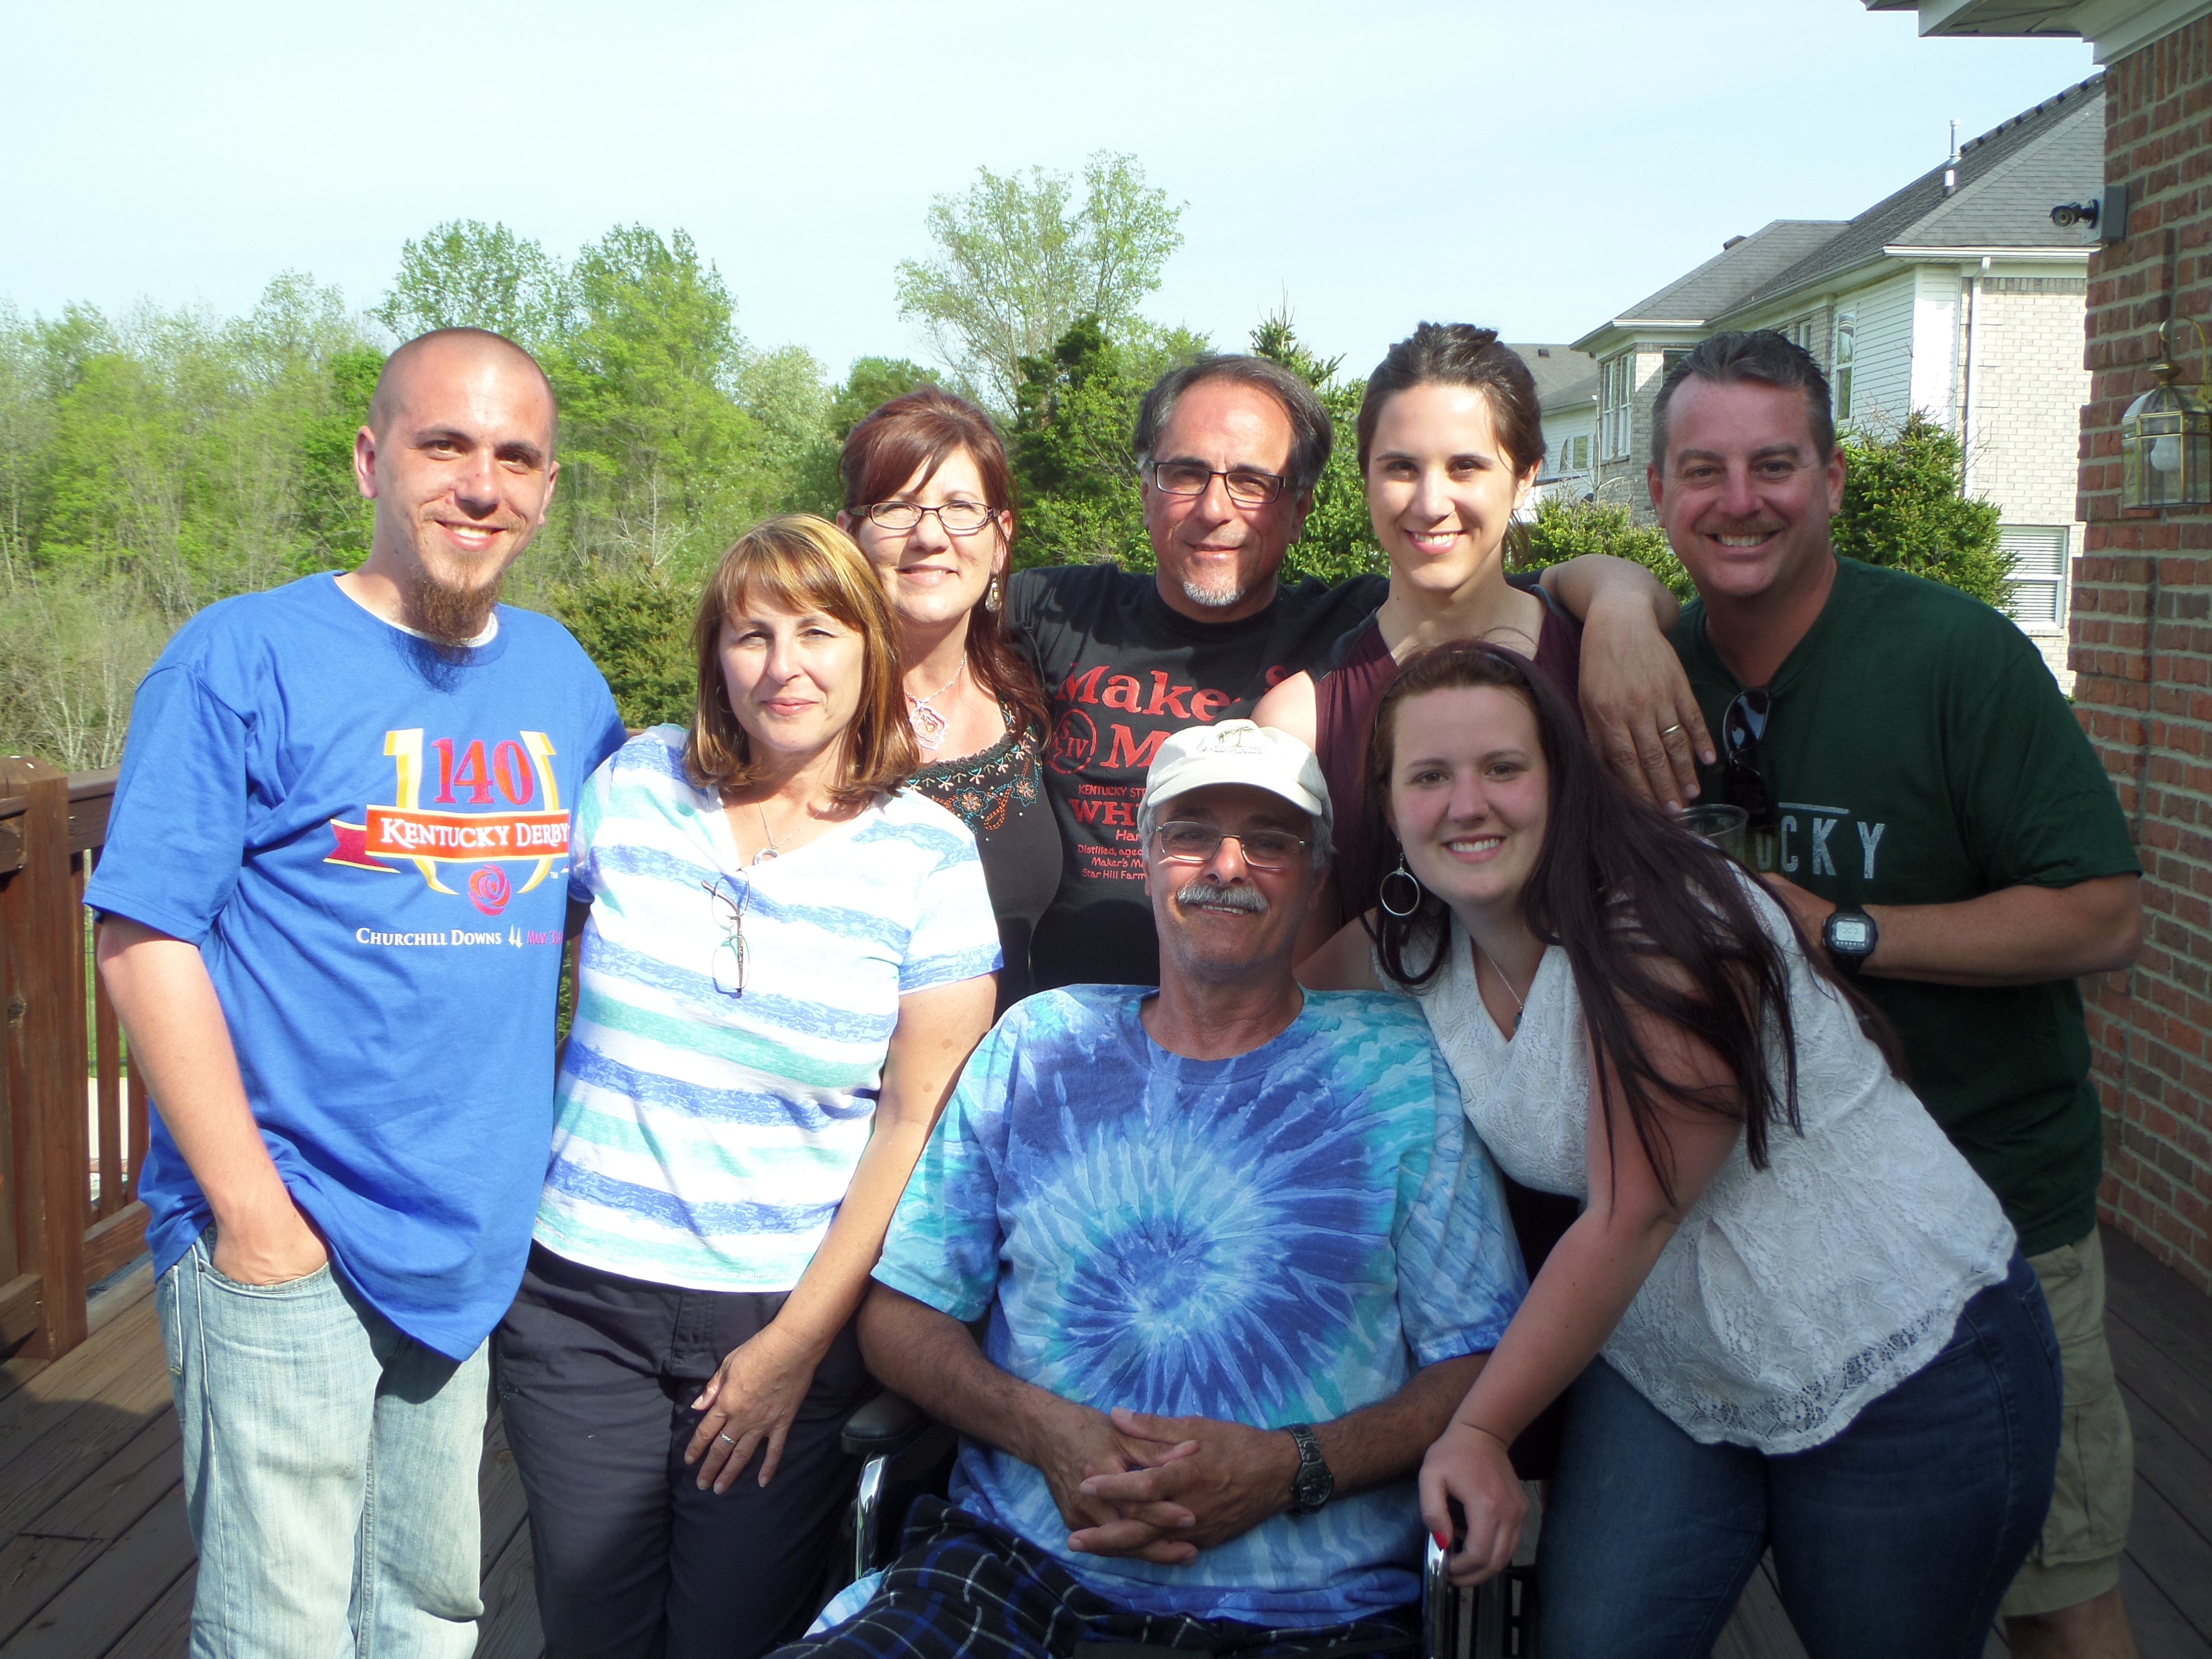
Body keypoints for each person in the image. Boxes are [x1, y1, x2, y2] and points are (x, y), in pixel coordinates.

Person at [1301, 641, 2064, 1658]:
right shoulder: (1416, 938)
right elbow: (1266, 1013)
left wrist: (1477, 1430)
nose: (1467, 805)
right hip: (1671, 1361)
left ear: (1562, 781)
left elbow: (1633, 1212)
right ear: (1390, 808)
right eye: (1429, 777)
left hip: (1894, 1347)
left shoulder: (1672, 921)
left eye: (1503, 768)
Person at [88, 328, 629, 1657]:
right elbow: (144, 937)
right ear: (371, 461)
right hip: (288, 1228)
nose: (481, 486)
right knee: (280, 1631)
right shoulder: (242, 656)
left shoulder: (562, 680)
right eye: (446, 446)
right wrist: (252, 1213)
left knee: (431, 1612)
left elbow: (600, 908)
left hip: (469, 1242)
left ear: (548, 488)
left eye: (516, 458)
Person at [774, 719, 1525, 1659]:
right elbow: (902, 1314)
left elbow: (1480, 1354)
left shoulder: (1398, 1068)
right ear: (1143, 857)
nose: (1226, 865)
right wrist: (1041, 1430)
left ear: (1318, 875)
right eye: (1190, 834)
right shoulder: (1038, 1045)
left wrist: (1292, 1468)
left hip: (1309, 1618)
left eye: (1270, 840)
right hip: (1009, 1577)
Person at [1612, 331, 2143, 1659]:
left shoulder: (1954, 656)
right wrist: (1611, 601)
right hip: (1757, 1238)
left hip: (1988, 1226)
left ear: (1834, 479)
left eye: (1776, 464)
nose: (1740, 499)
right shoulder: (1650, 669)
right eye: (1703, 469)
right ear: (1659, 492)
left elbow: (2101, 912)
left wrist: (1843, 931)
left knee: (2058, 1599)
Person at [495, 515, 1001, 1659]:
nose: (784, 666)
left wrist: (795, 1349)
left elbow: (914, 1127)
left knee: (730, 1637)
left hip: (779, 1312)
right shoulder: (633, 787)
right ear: (716, 657)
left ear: (870, 650)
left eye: (818, 632)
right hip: (580, 1301)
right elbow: (492, 956)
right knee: (594, 1631)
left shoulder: (928, 858)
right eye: (751, 634)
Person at [1007, 353, 1694, 992]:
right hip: (1082, 1021)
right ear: (1146, 488)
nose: (1215, 509)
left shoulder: (1358, 630)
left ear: (1301, 508)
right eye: (1185, 474)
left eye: (1252, 482)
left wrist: (1621, 608)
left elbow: (1499, 583)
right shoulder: (1060, 610)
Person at [1254, 324, 1579, 931]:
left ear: (1526, 477)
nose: (1431, 503)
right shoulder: (1301, 723)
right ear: (1366, 478)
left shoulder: (1601, 661)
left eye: (1466, 467)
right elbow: (1300, 972)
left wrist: (1622, 602)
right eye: (1401, 467)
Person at [837, 388, 1058, 1010]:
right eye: (897, 508)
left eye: (961, 508)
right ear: (848, 533)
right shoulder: (802, 712)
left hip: (1009, 1069)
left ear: (1001, 539)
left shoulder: (1031, 695)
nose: (930, 536)